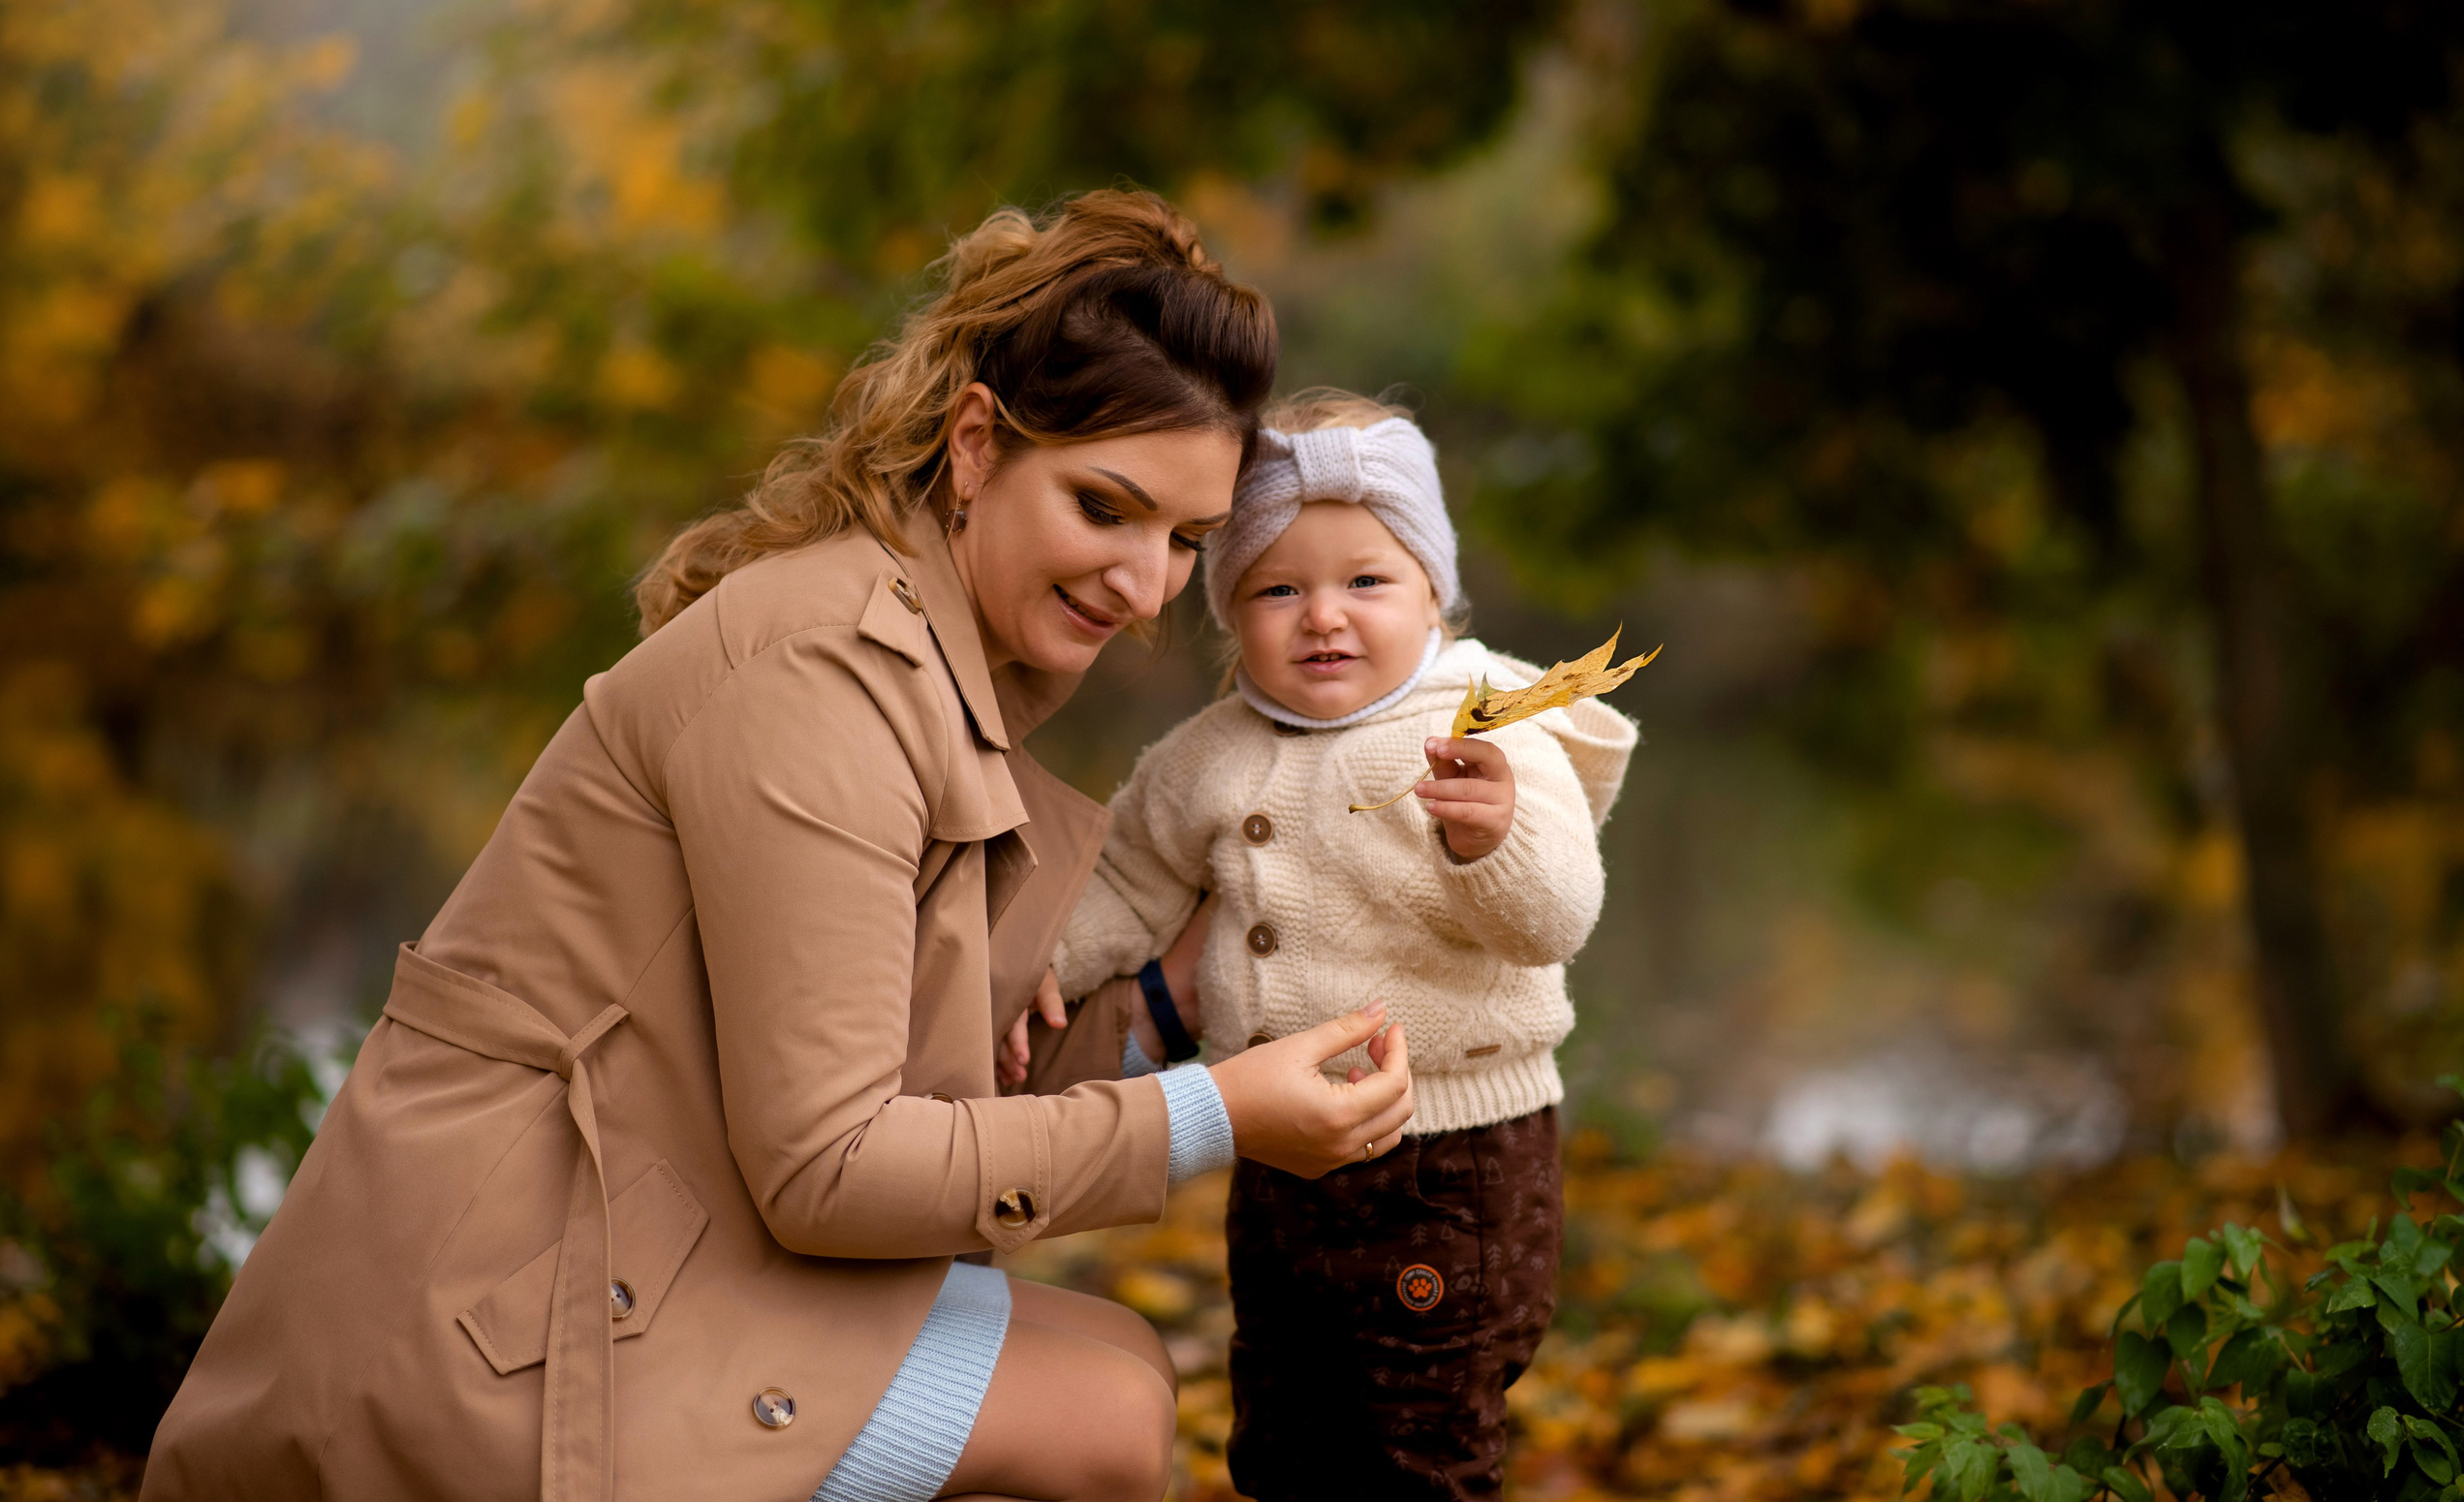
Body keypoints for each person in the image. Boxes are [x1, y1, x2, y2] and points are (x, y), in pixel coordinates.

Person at [141, 194, 1415, 1502]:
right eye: (1108, 508)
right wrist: (1212, 1120)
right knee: (1101, 1421)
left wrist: (1176, 990)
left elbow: (927, 1098)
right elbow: (836, 1167)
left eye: (1186, 542)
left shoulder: (932, 662)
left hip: (657, 1255)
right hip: (497, 1331)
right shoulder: (824, 677)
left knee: (1128, 1364)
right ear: (976, 446)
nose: (1146, 587)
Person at [1046, 391, 1637, 1501]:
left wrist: (1495, 839)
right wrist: (1049, 964)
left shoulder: (1491, 718)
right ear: (1231, 612)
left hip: (1452, 1157)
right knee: (1284, 1423)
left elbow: (1557, 917)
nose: (1322, 615)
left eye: (1364, 580)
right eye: (1278, 588)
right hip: (1275, 1156)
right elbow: (1124, 883)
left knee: (1418, 1440)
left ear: (1433, 592)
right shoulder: (1207, 755)